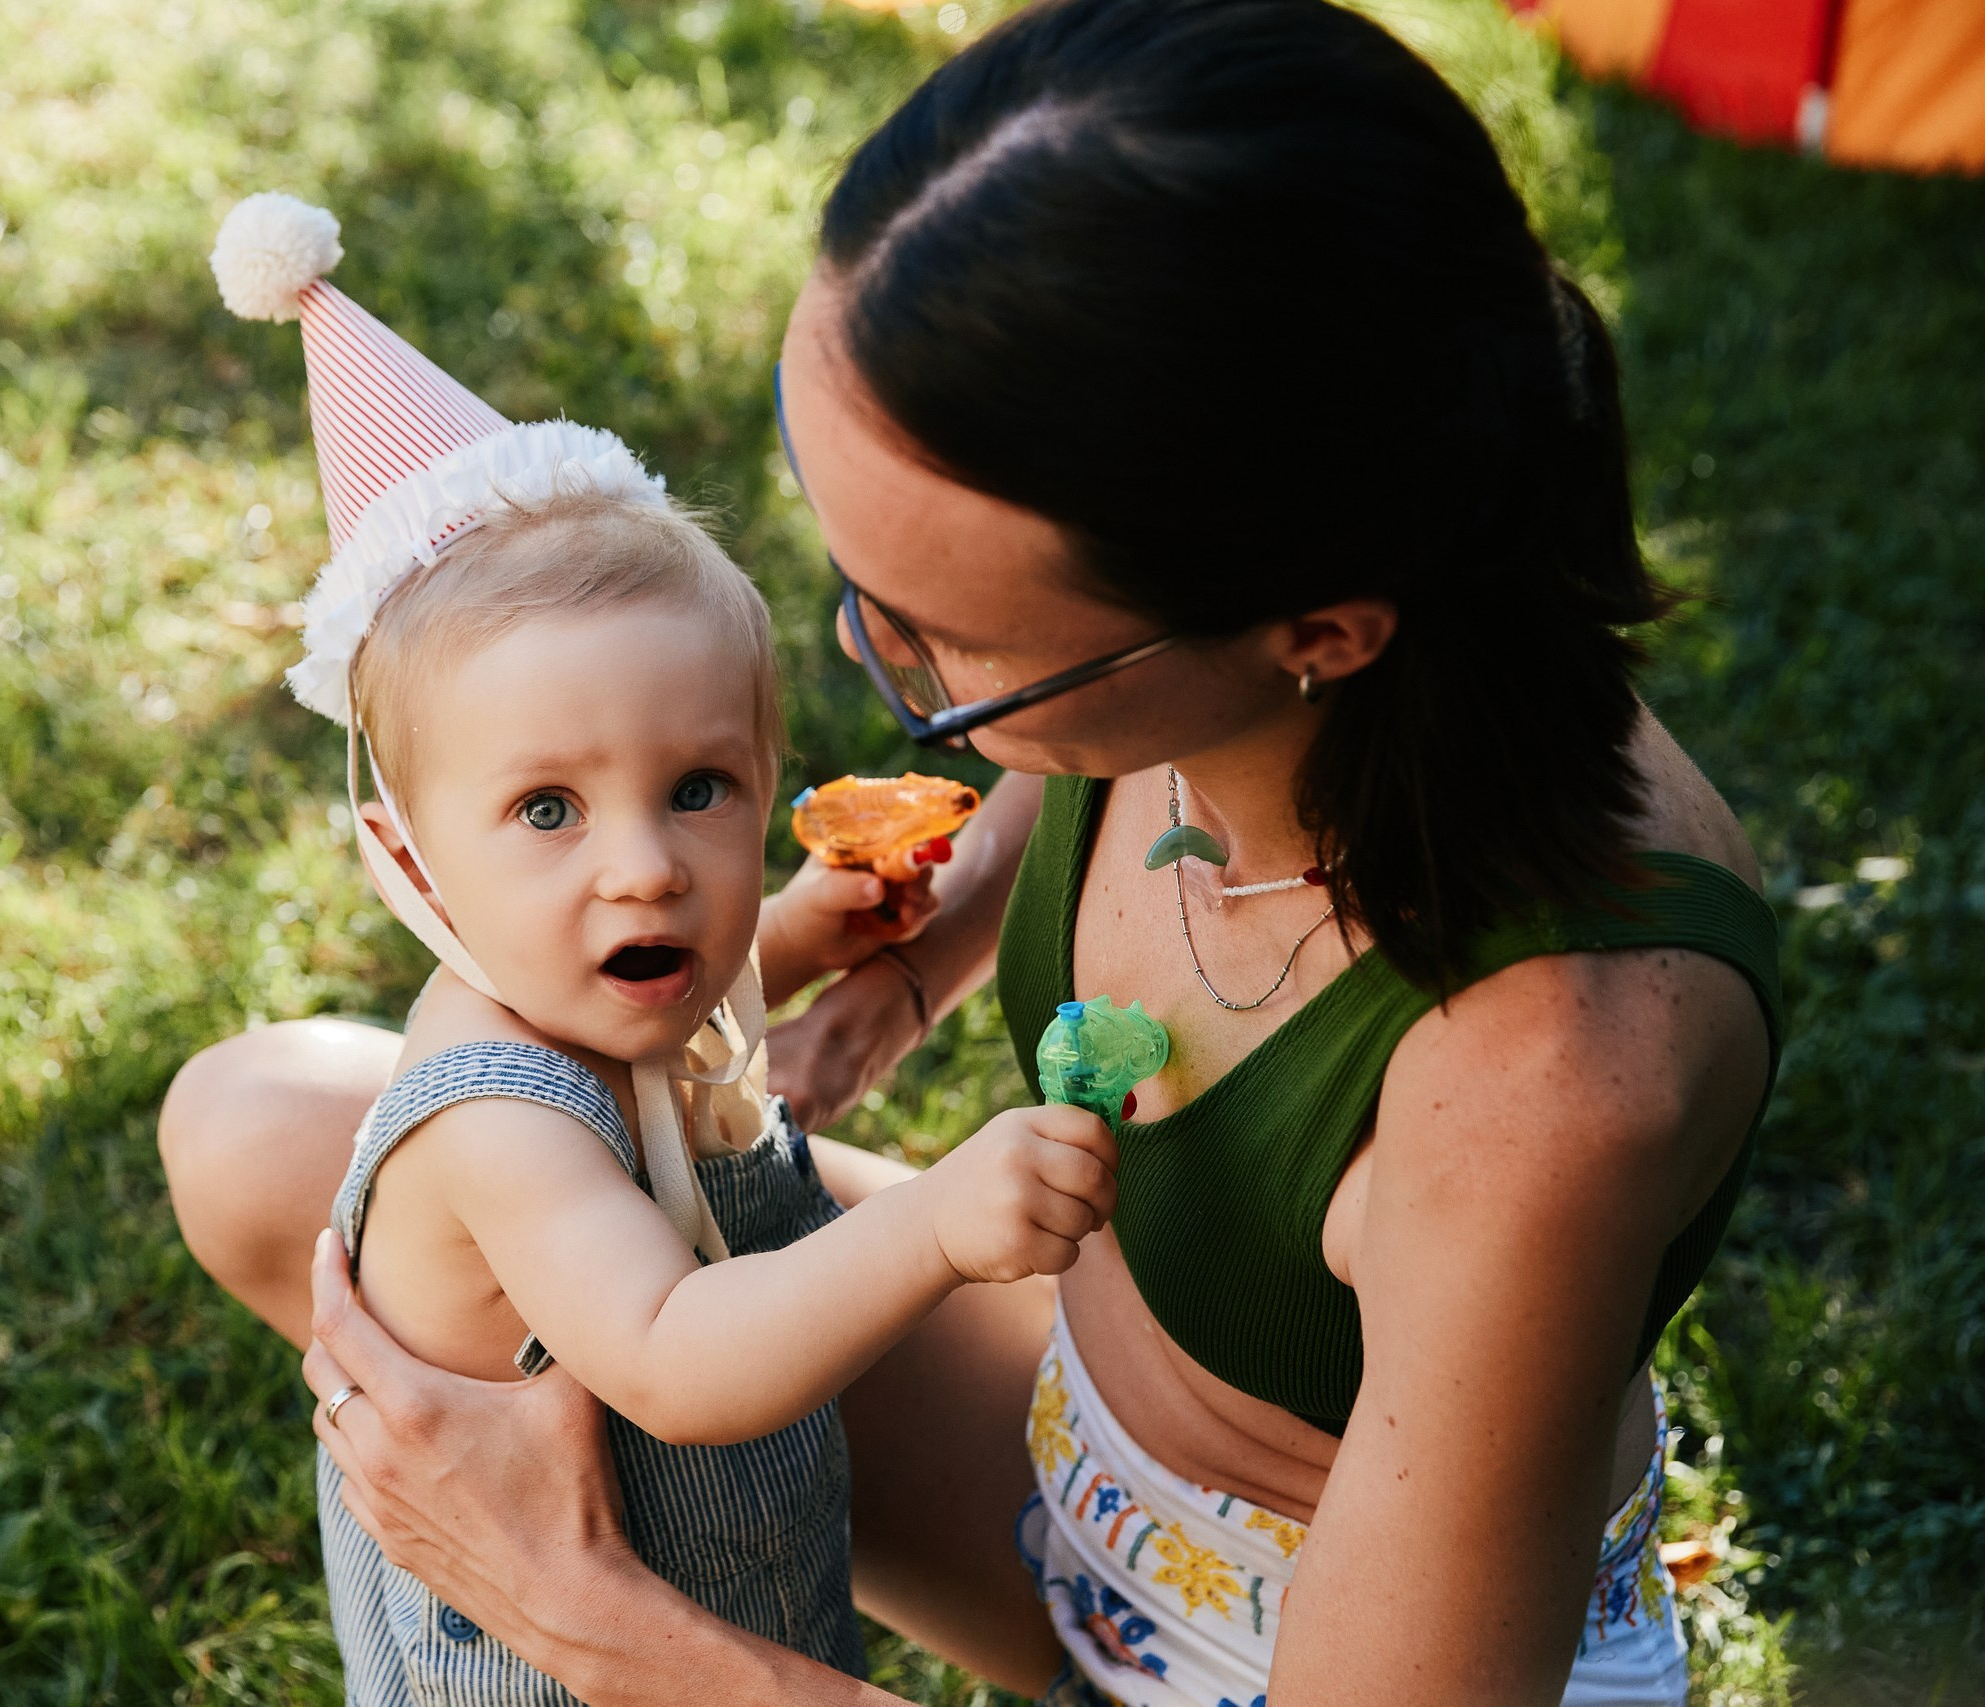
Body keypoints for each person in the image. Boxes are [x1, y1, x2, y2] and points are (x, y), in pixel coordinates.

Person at [163, 2, 1784, 1702]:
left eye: (945, 649)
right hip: (1070, 1477)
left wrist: (586, 1615)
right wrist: (902, 975)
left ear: (1316, 627)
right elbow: (1056, 772)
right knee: (266, 1133)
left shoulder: (1548, 1087)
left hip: (1271, 1651)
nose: (889, 664)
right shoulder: (1204, 689)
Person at [198, 194, 1117, 1704]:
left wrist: (803, 937)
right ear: (410, 860)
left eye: (698, 791)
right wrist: (940, 1221)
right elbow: (682, 1359)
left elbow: (684, 1006)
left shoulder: (610, 981)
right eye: (547, 809)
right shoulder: (496, 1119)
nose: (645, 869)